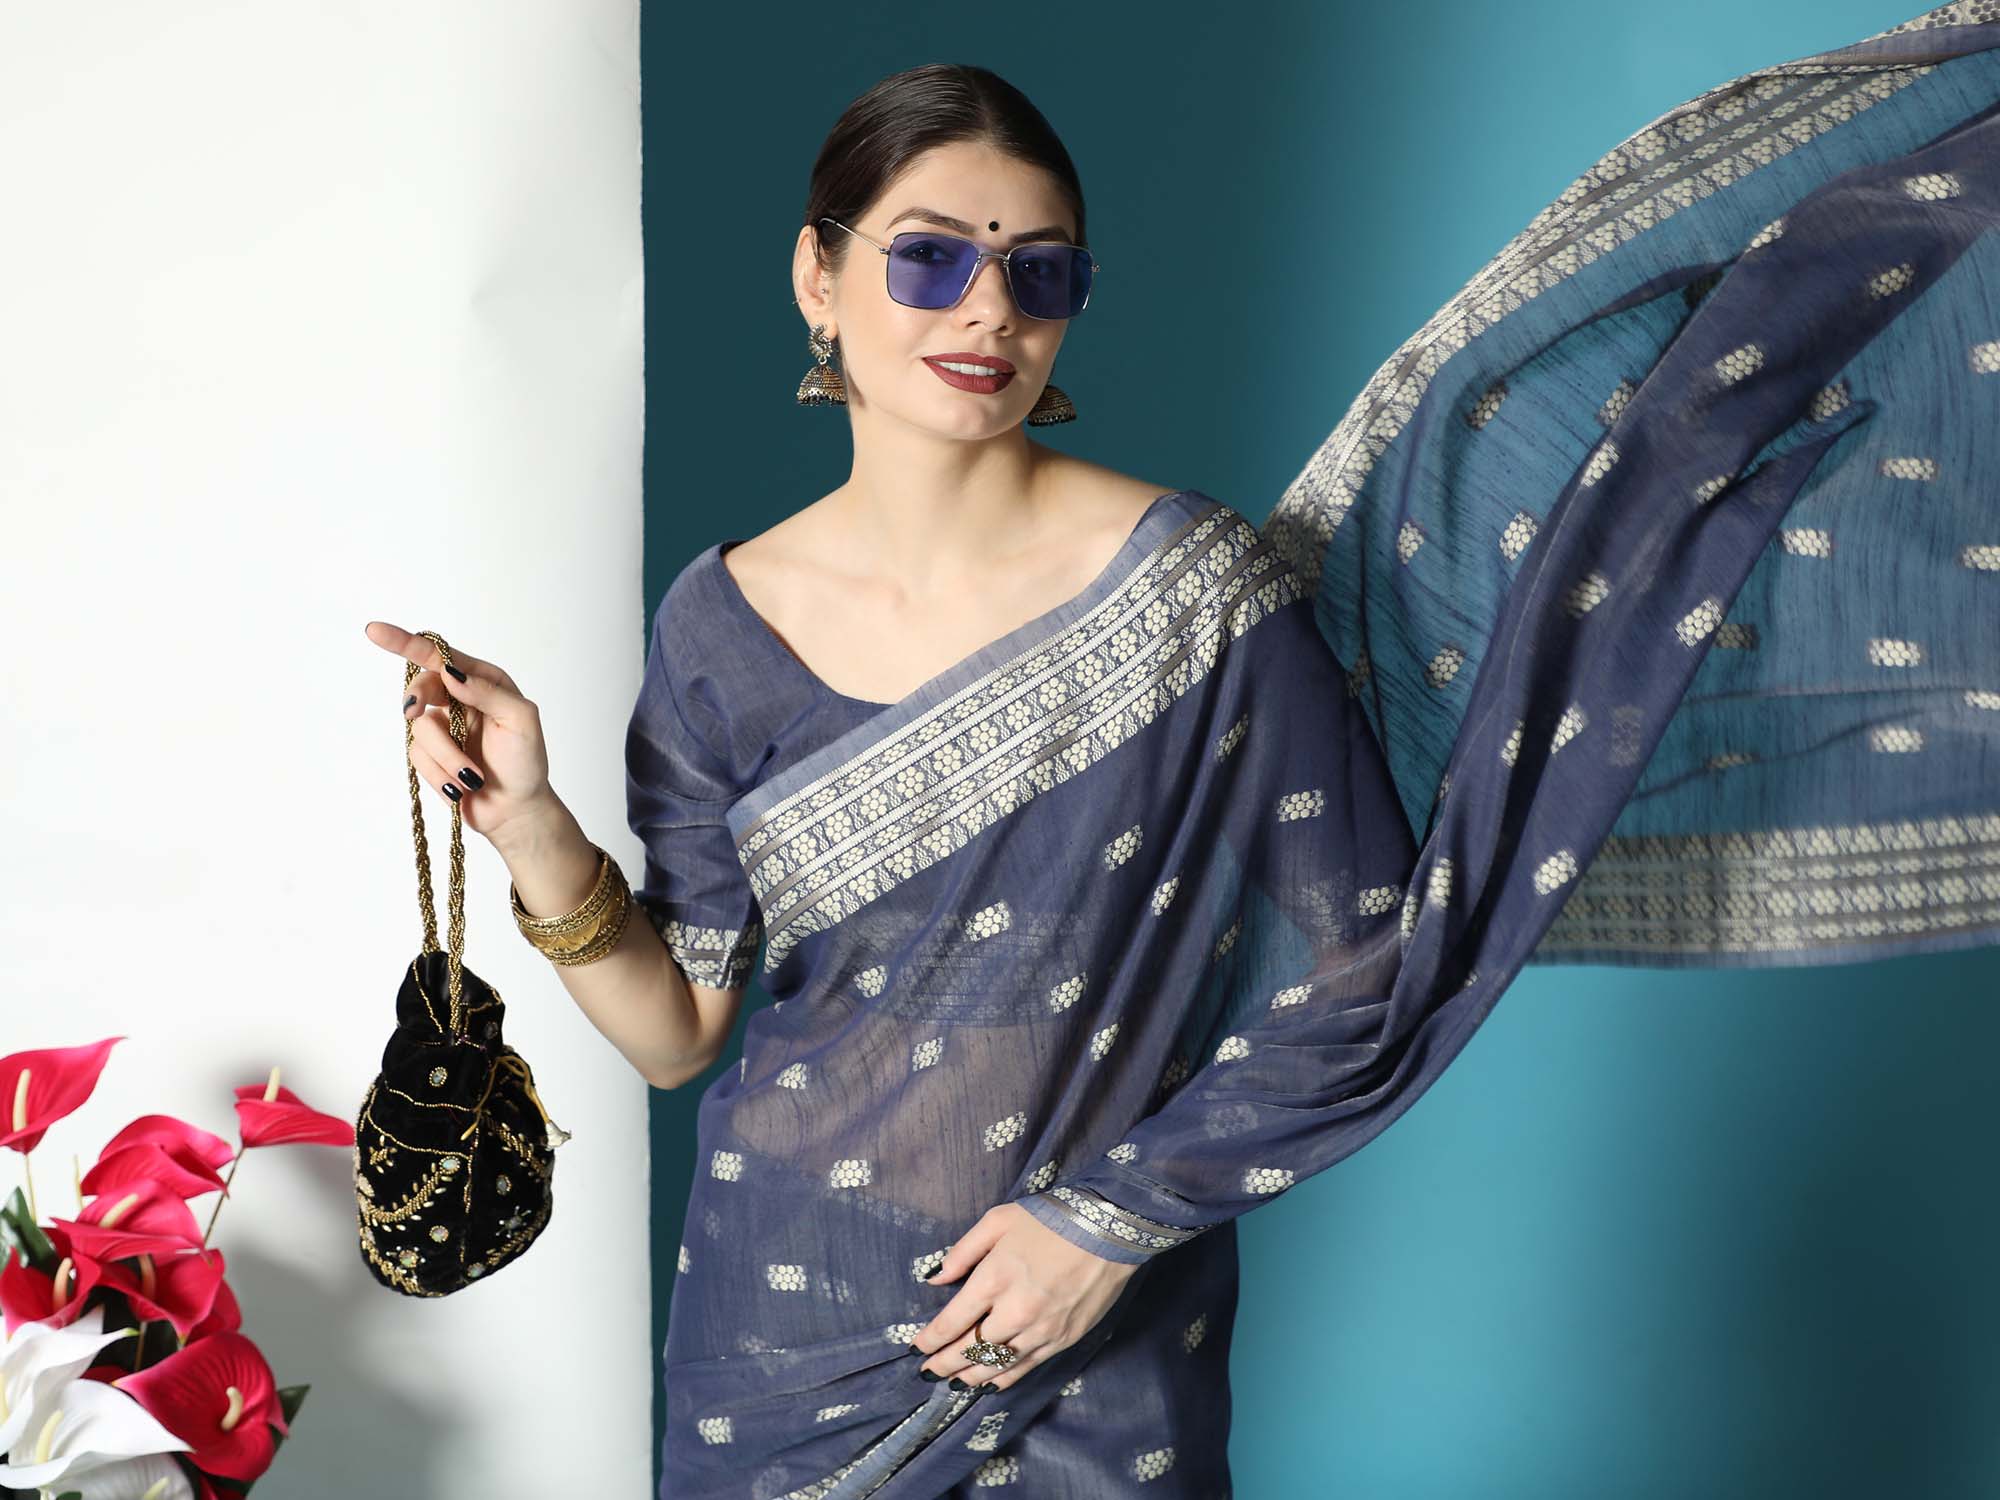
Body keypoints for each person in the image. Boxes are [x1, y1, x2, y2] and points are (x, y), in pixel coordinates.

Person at [366, 9, 2000, 1495]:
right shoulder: (719, 621)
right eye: (929, 259)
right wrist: (531, 820)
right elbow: (678, 1033)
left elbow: (1367, 963)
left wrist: (1108, 1221)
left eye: (1040, 273)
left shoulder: (1192, 592)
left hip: (1095, 1329)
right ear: (820, 274)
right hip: (777, 1337)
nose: (988, 310)